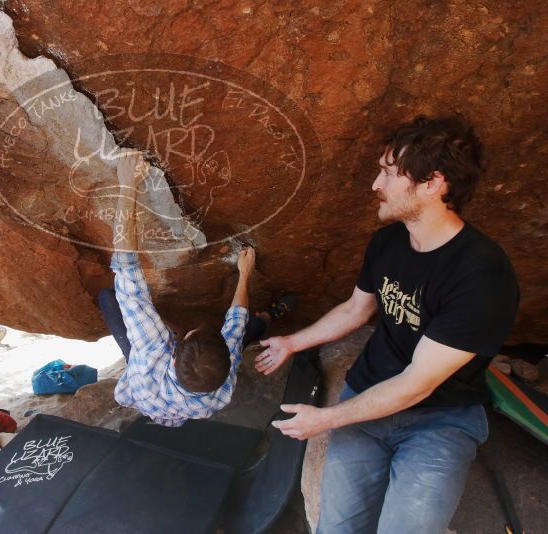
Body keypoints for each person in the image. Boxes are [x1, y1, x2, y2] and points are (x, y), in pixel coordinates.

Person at [255, 116, 520, 534]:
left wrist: (325, 419)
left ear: (432, 183)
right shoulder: (388, 243)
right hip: (367, 395)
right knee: (337, 529)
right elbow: (355, 310)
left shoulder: (482, 276)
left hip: (440, 419)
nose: (376, 184)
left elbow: (418, 383)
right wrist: (291, 341)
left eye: (389, 173)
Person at [97, 150, 295, 427]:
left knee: (107, 297)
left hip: (147, 389)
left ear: (174, 356)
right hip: (178, 395)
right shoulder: (221, 390)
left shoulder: (150, 353)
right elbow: (235, 325)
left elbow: (127, 266)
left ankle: (265, 319)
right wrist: (244, 275)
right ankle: (270, 315)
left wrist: (128, 185)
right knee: (245, 330)